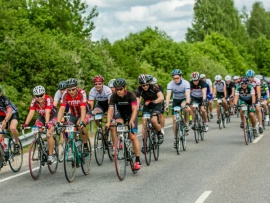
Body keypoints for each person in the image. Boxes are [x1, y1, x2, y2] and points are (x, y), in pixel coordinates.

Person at [106, 78, 141, 171]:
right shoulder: (113, 96)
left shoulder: (131, 95)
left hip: (131, 115)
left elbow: (135, 110)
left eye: (120, 89)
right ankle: (121, 140)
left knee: (133, 137)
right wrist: (108, 122)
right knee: (116, 125)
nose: (118, 91)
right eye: (116, 90)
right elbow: (110, 110)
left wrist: (131, 121)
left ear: (125, 88)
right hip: (121, 115)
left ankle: (137, 160)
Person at [21, 86, 57, 164]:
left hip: (52, 116)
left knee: (49, 133)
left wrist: (47, 124)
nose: (39, 97)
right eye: (37, 96)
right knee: (36, 131)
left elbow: (47, 112)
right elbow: (31, 112)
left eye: (41, 95)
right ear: (34, 96)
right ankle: (42, 146)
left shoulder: (48, 99)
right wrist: (25, 124)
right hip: (41, 116)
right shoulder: (34, 101)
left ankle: (51, 155)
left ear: (44, 94)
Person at [56, 78, 91, 156]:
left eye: (73, 89)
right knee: (68, 128)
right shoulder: (65, 94)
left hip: (84, 113)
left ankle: (85, 146)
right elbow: (62, 108)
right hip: (73, 114)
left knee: (80, 125)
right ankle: (75, 145)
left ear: (77, 87)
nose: (71, 92)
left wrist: (82, 121)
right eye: (69, 90)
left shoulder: (82, 93)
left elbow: (83, 108)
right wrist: (57, 122)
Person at [135, 74, 164, 150]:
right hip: (147, 105)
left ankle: (159, 133)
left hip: (156, 104)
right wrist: (136, 109)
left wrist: (153, 101)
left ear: (149, 83)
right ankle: (144, 144)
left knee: (154, 120)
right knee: (144, 123)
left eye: (147, 85)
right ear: (140, 85)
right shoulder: (138, 90)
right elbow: (137, 101)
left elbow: (161, 97)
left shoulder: (154, 87)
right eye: (143, 85)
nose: (145, 87)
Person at [164, 69, 191, 147]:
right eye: (174, 78)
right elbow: (168, 95)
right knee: (175, 119)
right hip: (176, 100)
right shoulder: (170, 84)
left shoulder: (186, 83)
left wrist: (188, 104)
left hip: (184, 99)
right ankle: (176, 138)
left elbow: (187, 94)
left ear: (181, 77)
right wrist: (167, 105)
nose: (176, 80)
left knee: (184, 107)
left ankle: (186, 123)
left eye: (177, 78)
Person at [0, 86, 20, 154]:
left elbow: (9, 112)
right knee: (1, 134)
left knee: (12, 128)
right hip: (2, 115)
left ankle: (16, 144)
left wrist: (5, 121)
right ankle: (4, 151)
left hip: (13, 113)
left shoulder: (5, 99)